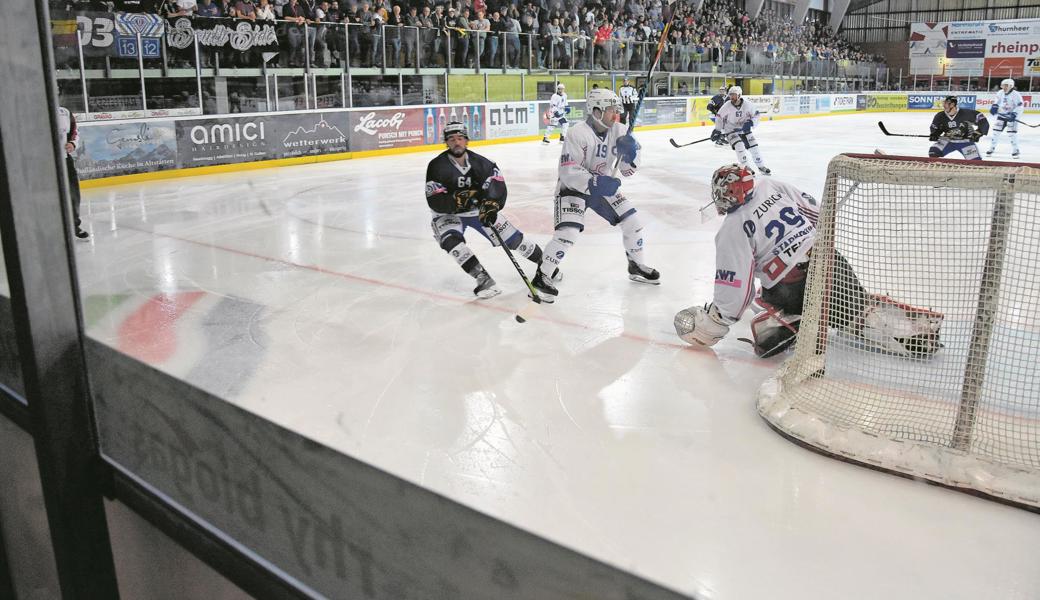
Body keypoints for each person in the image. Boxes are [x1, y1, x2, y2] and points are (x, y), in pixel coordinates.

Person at [674, 165, 942, 358]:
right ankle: (907, 326)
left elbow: (736, 290)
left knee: (760, 301)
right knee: (855, 310)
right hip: (832, 263)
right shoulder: (771, 186)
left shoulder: (732, 228)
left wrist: (716, 322)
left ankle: (794, 321)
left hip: (791, 290)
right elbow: (816, 215)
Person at [531, 88, 658, 303]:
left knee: (632, 221)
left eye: (615, 109)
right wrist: (595, 182)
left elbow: (627, 170)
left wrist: (631, 153)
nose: (615, 114)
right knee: (568, 233)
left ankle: (635, 265)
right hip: (573, 188)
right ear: (596, 111)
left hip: (604, 188)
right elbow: (568, 170)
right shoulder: (577, 133)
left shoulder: (620, 130)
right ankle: (542, 276)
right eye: (610, 110)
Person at [425, 121, 555, 298]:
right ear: (446, 142)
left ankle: (546, 268)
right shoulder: (436, 166)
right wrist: (457, 202)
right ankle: (483, 278)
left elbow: (497, 184)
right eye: (452, 139)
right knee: (450, 242)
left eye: (460, 138)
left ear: (467, 140)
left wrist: (491, 205)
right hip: (448, 214)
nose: (456, 142)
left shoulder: (482, 163)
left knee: (515, 241)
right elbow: (435, 199)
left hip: (478, 211)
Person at [710, 85, 771, 174]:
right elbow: (719, 118)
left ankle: (761, 166)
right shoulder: (727, 106)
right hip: (731, 130)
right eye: (730, 95)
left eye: (733, 95)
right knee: (739, 146)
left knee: (754, 147)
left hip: (745, 130)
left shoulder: (748, 105)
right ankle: (746, 168)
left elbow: (756, 115)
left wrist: (751, 123)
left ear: (739, 95)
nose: (731, 97)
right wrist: (717, 130)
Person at [58, 106, 89, 240]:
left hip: (64, 159)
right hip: (43, 161)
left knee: (72, 193)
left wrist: (72, 143)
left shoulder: (64, 112)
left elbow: (75, 131)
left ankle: (74, 226)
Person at [928, 96, 988, 160]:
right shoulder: (940, 115)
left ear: (952, 104)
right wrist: (934, 134)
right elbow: (936, 128)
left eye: (945, 103)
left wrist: (978, 132)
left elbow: (984, 122)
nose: (944, 106)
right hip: (948, 140)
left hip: (966, 142)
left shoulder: (967, 113)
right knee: (933, 152)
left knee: (976, 162)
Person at [986, 79, 1024, 159]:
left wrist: (1014, 114)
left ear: (1011, 86)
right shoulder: (1000, 92)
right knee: (996, 133)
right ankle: (991, 148)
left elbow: (1020, 106)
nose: (1004, 87)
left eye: (1007, 85)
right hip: (1002, 116)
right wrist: (994, 107)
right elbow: (996, 102)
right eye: (1003, 85)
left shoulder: (1016, 94)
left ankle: (1015, 150)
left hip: (1012, 117)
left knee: (1012, 134)